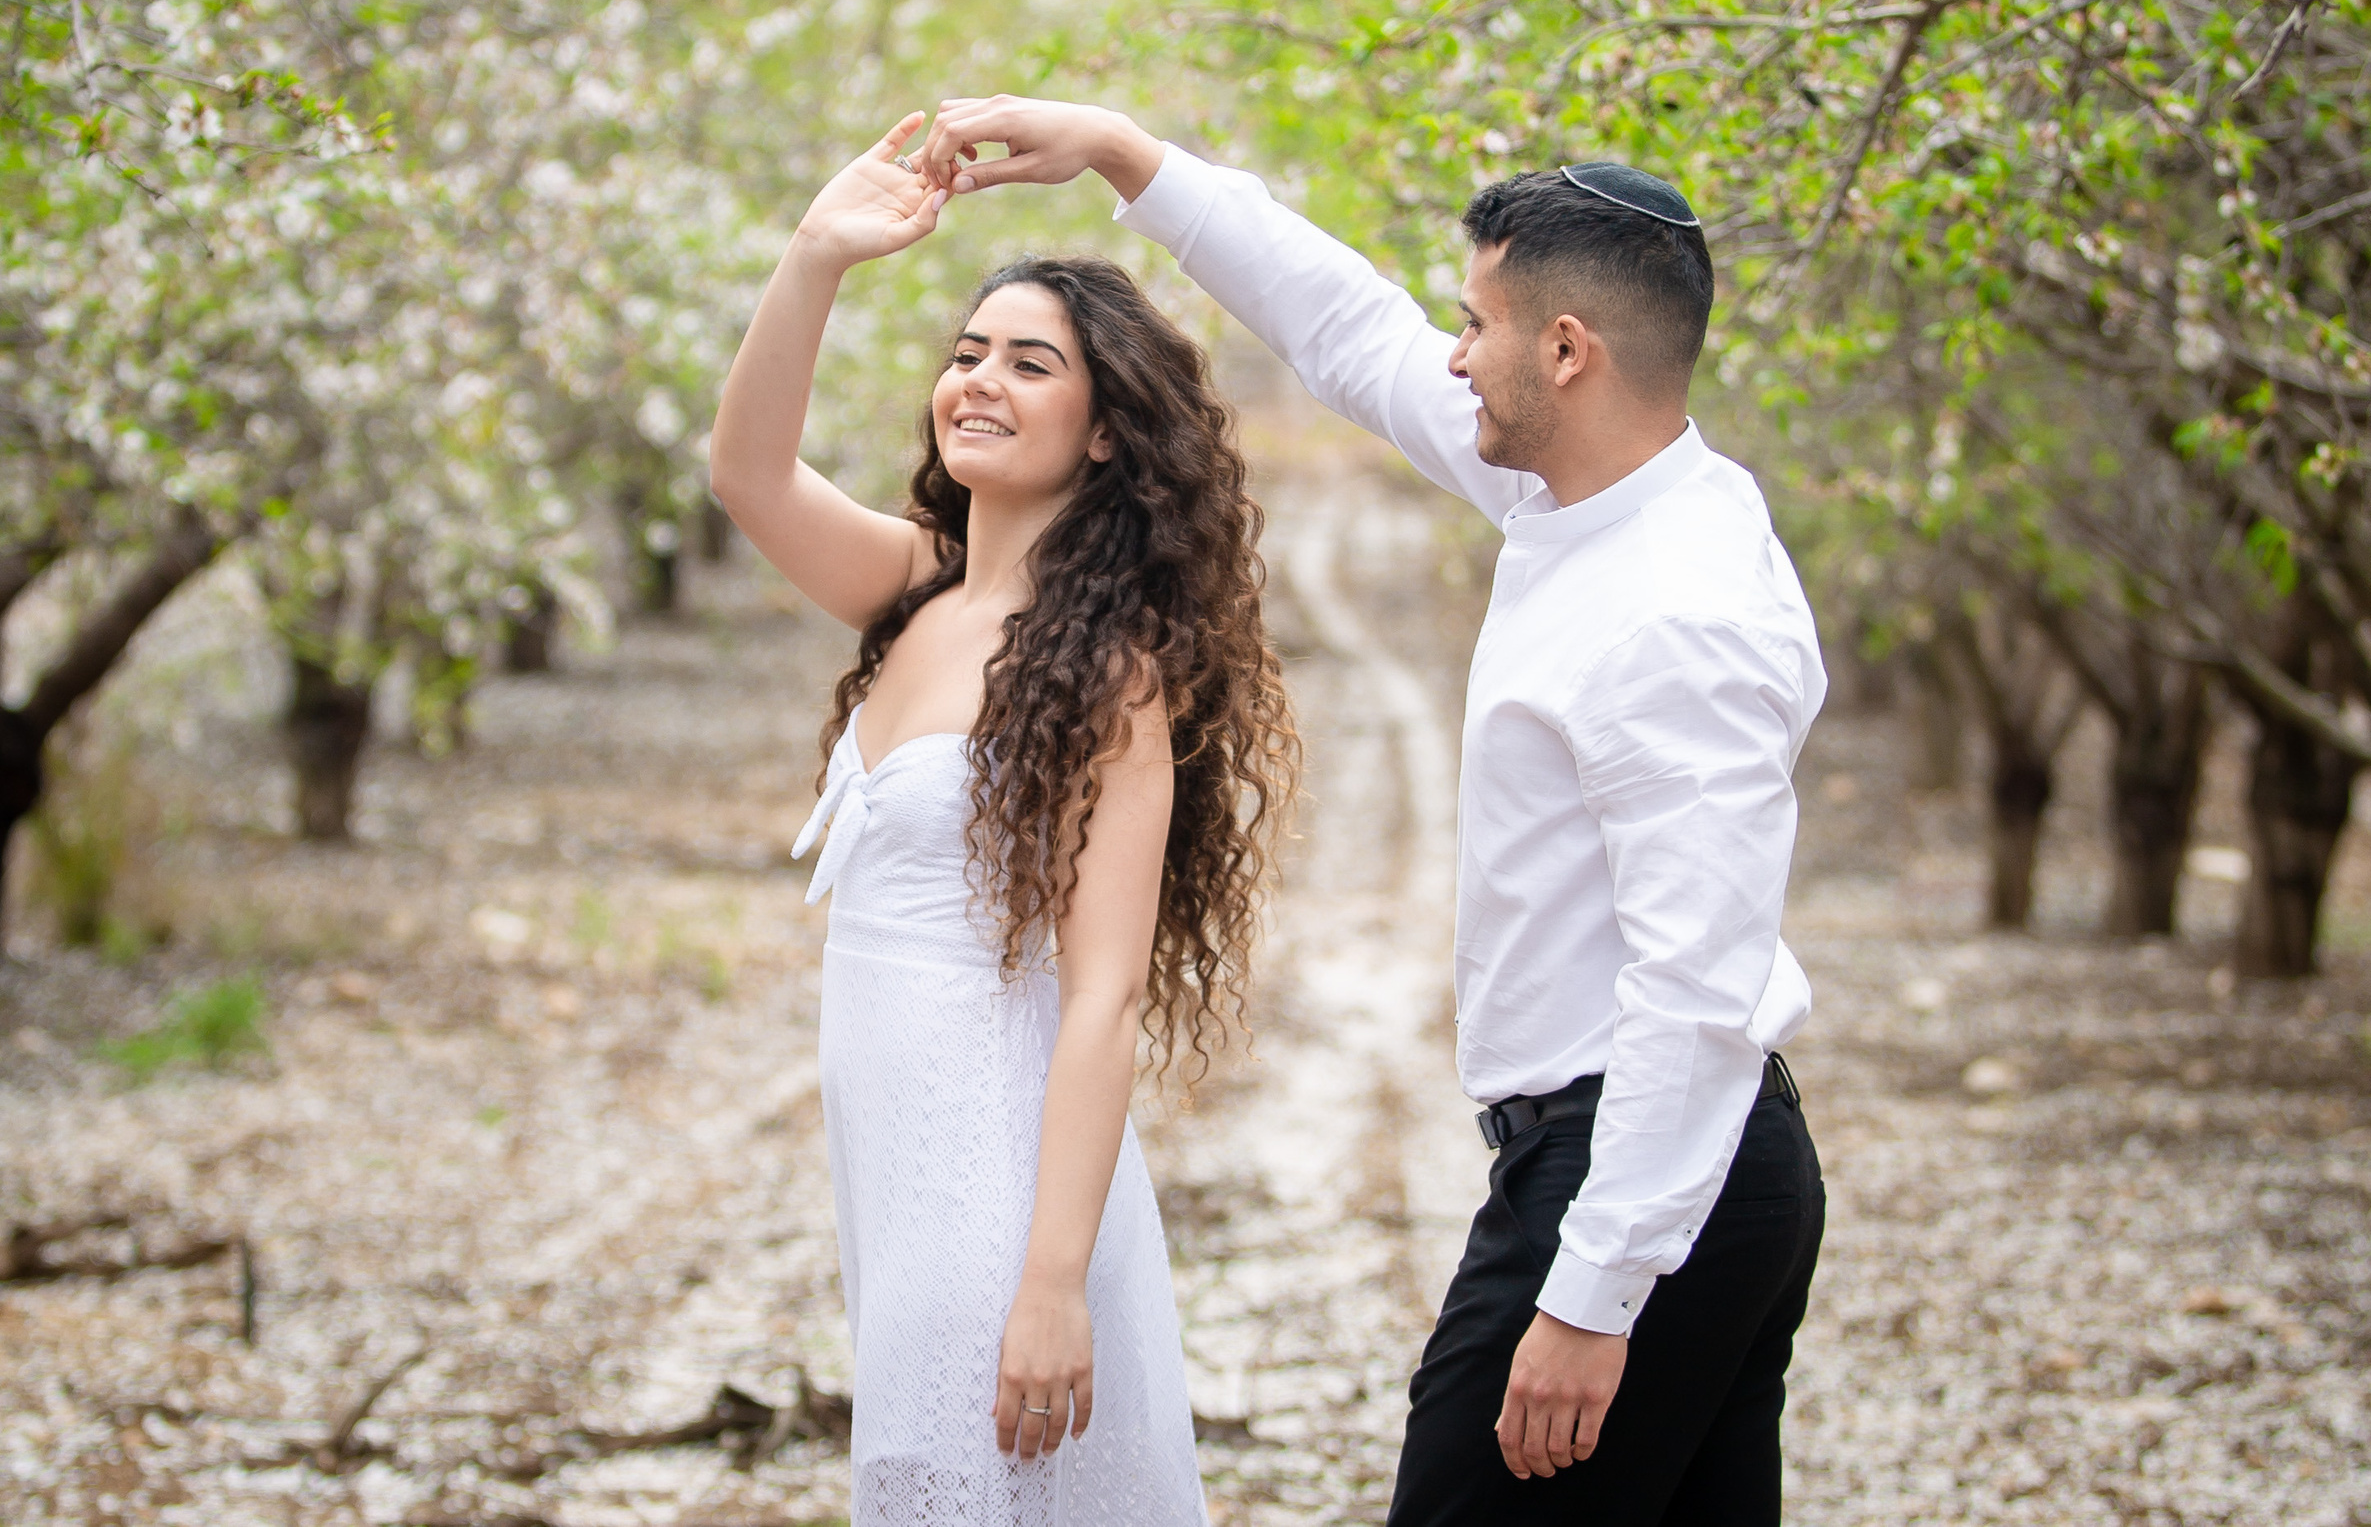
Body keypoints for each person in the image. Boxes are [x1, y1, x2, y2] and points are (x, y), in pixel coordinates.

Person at [918, 97, 1828, 1525]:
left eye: (1475, 324)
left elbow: (1697, 990)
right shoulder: (1586, 498)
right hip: (1663, 1171)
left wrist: (1592, 1295)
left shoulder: (1678, 611)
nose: (1451, 353)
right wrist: (1119, 153)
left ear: (1569, 353)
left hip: (1646, 1177)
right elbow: (1346, 331)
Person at [707, 111, 1297, 1526]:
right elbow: (745, 471)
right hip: (892, 1167)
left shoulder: (1110, 674)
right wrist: (815, 256)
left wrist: (1051, 1282)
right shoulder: (913, 590)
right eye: (967, 353)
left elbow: (1100, 1003)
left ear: (1106, 437)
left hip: (999, 1173)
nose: (978, 380)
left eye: (1031, 365)